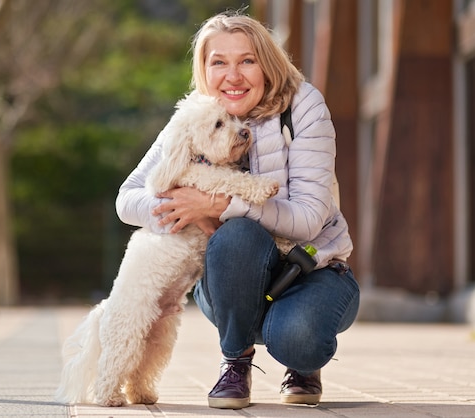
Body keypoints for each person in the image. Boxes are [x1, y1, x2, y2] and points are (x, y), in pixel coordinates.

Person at [115, 10, 360, 410]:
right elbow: (127, 199)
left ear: (267, 63)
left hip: (311, 267)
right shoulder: (196, 114)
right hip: (234, 275)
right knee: (235, 237)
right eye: (219, 63)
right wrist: (182, 205)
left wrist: (220, 204)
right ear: (204, 70)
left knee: (297, 338)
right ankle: (236, 360)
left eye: (247, 60)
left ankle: (300, 359)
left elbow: (310, 218)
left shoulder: (303, 106)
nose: (233, 76)